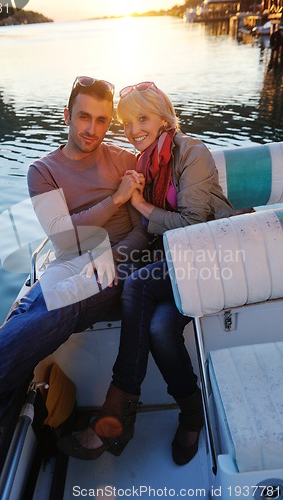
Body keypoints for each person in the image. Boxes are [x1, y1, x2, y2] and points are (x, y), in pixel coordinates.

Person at [0, 76, 150, 472]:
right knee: (36, 305)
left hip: (122, 263)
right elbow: (64, 237)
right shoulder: (42, 171)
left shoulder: (126, 160)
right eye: (83, 117)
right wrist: (115, 199)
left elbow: (144, 228)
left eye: (101, 120)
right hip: (69, 260)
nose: (91, 129)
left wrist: (112, 257)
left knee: (59, 302)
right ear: (66, 116)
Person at [59, 81, 235, 465]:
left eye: (143, 118)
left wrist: (138, 202)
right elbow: (143, 231)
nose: (134, 129)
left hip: (211, 258)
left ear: (163, 117)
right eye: (127, 123)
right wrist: (106, 255)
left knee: (138, 283)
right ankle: (191, 413)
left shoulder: (192, 152)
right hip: (174, 263)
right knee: (158, 328)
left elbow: (193, 223)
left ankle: (117, 408)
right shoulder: (143, 162)